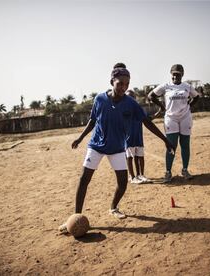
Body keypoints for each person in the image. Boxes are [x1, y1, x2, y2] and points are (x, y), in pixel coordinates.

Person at [59, 67, 175, 233]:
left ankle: (113, 207)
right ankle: (74, 218)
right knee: (84, 179)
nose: (123, 87)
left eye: (126, 84)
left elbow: (147, 122)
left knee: (122, 183)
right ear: (112, 82)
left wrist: (165, 140)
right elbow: (93, 120)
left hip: (117, 148)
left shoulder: (131, 104)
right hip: (96, 145)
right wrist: (81, 137)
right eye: (120, 83)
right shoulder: (99, 99)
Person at [148, 64, 199, 183]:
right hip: (171, 118)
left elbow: (196, 97)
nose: (176, 76)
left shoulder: (187, 86)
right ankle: (168, 172)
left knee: (185, 144)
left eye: (178, 73)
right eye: (174, 73)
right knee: (171, 145)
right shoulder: (166, 86)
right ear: (171, 74)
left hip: (185, 117)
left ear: (182, 74)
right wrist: (162, 106)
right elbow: (151, 95)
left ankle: (185, 170)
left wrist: (189, 106)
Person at [125, 89, 151, 184]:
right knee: (130, 157)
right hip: (128, 138)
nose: (131, 99)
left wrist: (158, 113)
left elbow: (147, 120)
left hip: (139, 137)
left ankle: (141, 175)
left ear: (135, 99)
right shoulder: (123, 110)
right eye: (128, 97)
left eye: (133, 97)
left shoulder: (139, 109)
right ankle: (132, 177)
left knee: (140, 156)